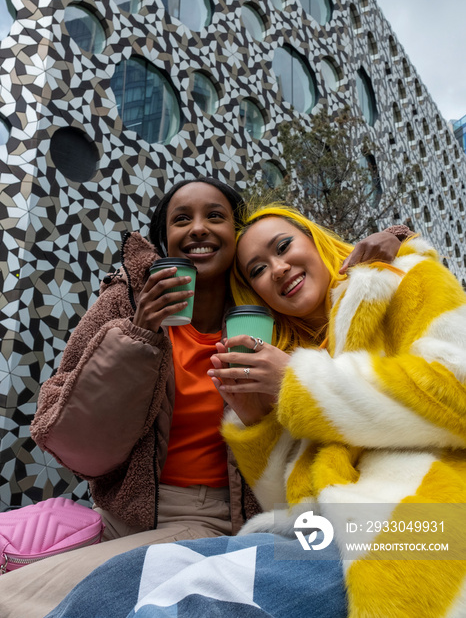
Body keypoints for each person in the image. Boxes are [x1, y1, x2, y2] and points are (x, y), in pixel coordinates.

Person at [0, 183, 409, 618]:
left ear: (236, 233)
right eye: (181, 220)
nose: (198, 229)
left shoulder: (270, 307)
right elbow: (73, 441)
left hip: (213, 520)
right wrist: (138, 335)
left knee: (27, 600)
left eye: (215, 216)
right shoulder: (127, 300)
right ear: (165, 239)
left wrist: (400, 239)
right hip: (120, 516)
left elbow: (335, 288)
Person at [206, 203, 466, 617]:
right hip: (322, 532)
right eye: (257, 270)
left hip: (430, 522)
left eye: (284, 246)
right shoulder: (296, 361)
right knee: (134, 575)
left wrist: (298, 383)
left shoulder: (406, 277)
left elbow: (458, 393)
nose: (277, 268)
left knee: (203, 601)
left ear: (316, 240)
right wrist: (258, 422)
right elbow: (283, 501)